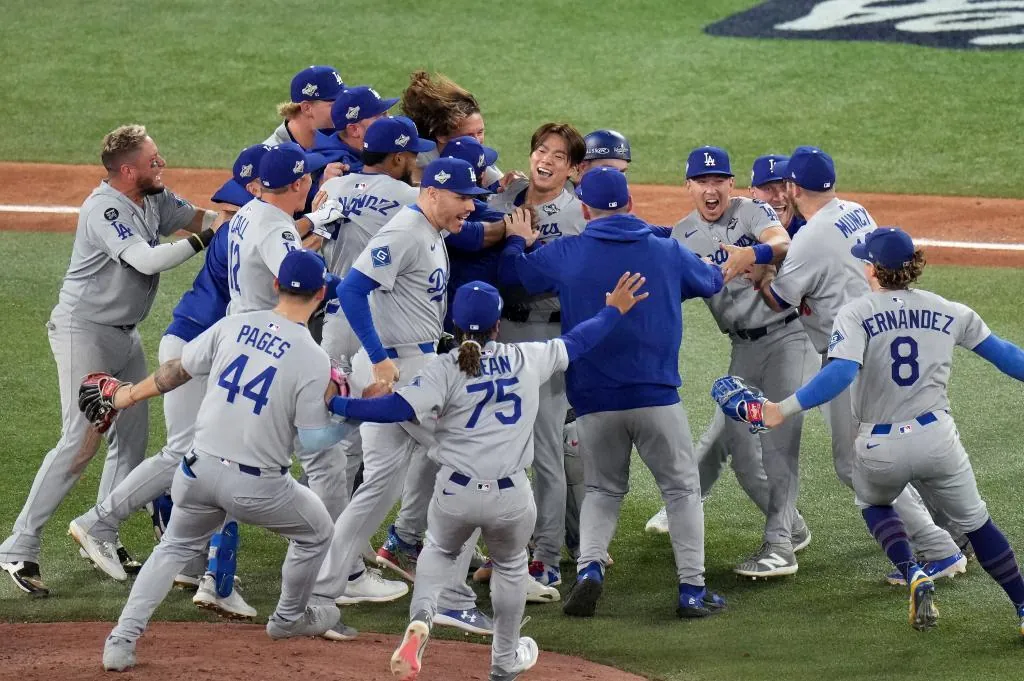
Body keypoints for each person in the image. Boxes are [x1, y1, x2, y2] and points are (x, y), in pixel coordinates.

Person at [328, 275, 646, 681]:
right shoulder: (526, 357)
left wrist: (338, 403)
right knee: (511, 568)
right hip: (511, 497)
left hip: (454, 493)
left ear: (455, 324)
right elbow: (581, 340)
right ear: (498, 326)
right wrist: (613, 309)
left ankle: (422, 619)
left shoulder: (443, 369)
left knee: (437, 555)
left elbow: (393, 410)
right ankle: (504, 660)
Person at [95, 249, 362, 672]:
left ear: (276, 286)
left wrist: (127, 395)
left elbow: (176, 371)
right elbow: (314, 443)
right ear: (322, 293)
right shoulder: (312, 357)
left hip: (196, 471)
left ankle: (121, 641)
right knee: (317, 532)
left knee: (171, 549)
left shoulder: (233, 324)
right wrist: (350, 420)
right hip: (260, 489)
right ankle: (288, 618)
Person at [757, 227, 1024, 636]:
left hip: (880, 446)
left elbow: (840, 373)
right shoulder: (947, 309)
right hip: (938, 439)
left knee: (874, 503)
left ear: (874, 269)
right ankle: (1022, 606)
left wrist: (783, 409)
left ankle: (912, 571)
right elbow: (1006, 355)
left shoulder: (856, 312)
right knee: (978, 524)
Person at [0, 124, 221, 596]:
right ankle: (19, 547)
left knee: (133, 438)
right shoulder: (104, 209)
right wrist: (205, 240)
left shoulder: (154, 198)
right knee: (81, 440)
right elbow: (145, 260)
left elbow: (200, 217)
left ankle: (102, 533)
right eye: (153, 161)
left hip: (124, 335)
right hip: (85, 332)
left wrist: (233, 221)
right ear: (127, 170)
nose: (161, 165)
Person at [502, 167, 726, 618]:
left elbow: (517, 277)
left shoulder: (569, 250)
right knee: (681, 492)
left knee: (603, 489)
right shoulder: (664, 250)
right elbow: (712, 281)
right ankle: (691, 590)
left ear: (584, 208)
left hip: (593, 400)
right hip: (656, 395)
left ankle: (589, 570)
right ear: (630, 202)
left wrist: (517, 240)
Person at [68, 144, 270, 620]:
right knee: (193, 451)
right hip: (197, 348)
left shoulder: (248, 226)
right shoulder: (250, 231)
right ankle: (100, 523)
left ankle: (190, 556)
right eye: (228, 204)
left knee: (207, 452)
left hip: (205, 347)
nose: (228, 211)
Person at [309, 158, 509, 635]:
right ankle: (452, 597)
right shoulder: (406, 230)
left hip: (410, 363)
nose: (470, 209)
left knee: (380, 485)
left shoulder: (429, 230)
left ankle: (320, 592)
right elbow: (355, 291)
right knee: (477, 463)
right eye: (464, 199)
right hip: (401, 370)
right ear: (435, 193)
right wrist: (378, 357)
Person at [758, 146, 967, 581]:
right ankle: (953, 530)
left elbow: (779, 301)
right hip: (885, 340)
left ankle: (939, 548)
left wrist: (759, 272)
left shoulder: (810, 238)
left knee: (856, 462)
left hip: (854, 355)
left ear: (794, 188)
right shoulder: (853, 209)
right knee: (906, 444)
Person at [672, 145, 807, 578]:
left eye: (719, 181)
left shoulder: (752, 213)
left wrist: (753, 255)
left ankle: (779, 546)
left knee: (777, 443)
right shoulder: (681, 236)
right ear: (689, 185)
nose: (712, 190)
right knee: (742, 448)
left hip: (789, 336)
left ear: (731, 184)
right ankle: (791, 526)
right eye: (702, 182)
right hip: (743, 347)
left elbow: (780, 241)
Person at [487, 122, 588, 591]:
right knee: (499, 445)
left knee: (546, 451)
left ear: (572, 169)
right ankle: (505, 549)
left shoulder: (577, 217)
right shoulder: (504, 200)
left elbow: (550, 279)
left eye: (558, 156)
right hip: (502, 332)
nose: (545, 160)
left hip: (548, 339)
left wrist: (524, 249)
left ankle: (546, 556)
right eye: (540, 151)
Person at [400, 70, 505, 188]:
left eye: (480, 132)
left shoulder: (472, 152)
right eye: (469, 135)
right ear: (441, 135)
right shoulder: (421, 165)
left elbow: (499, 182)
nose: (476, 141)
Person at [313, 85, 399, 174]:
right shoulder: (335, 167)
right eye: (381, 117)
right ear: (354, 130)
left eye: (386, 114)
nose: (389, 121)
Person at [264, 65, 344, 149]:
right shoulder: (271, 157)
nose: (343, 107)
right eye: (335, 104)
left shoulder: (344, 136)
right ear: (307, 108)